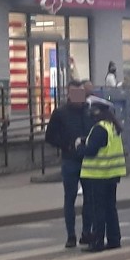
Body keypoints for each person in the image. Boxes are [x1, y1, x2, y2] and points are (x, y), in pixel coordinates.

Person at [45, 80, 94, 248]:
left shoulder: (88, 112)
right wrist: (66, 144)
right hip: (70, 160)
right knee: (70, 198)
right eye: (75, 94)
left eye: (81, 93)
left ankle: (86, 232)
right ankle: (71, 235)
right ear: (68, 94)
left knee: (89, 198)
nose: (78, 97)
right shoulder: (60, 113)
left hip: (87, 160)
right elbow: (49, 136)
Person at [78, 97, 126, 252]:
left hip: (97, 175)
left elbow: (91, 151)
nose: (90, 113)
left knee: (98, 209)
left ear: (97, 112)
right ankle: (114, 239)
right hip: (112, 174)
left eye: (92, 110)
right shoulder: (113, 127)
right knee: (110, 208)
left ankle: (97, 241)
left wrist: (79, 147)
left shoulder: (99, 128)